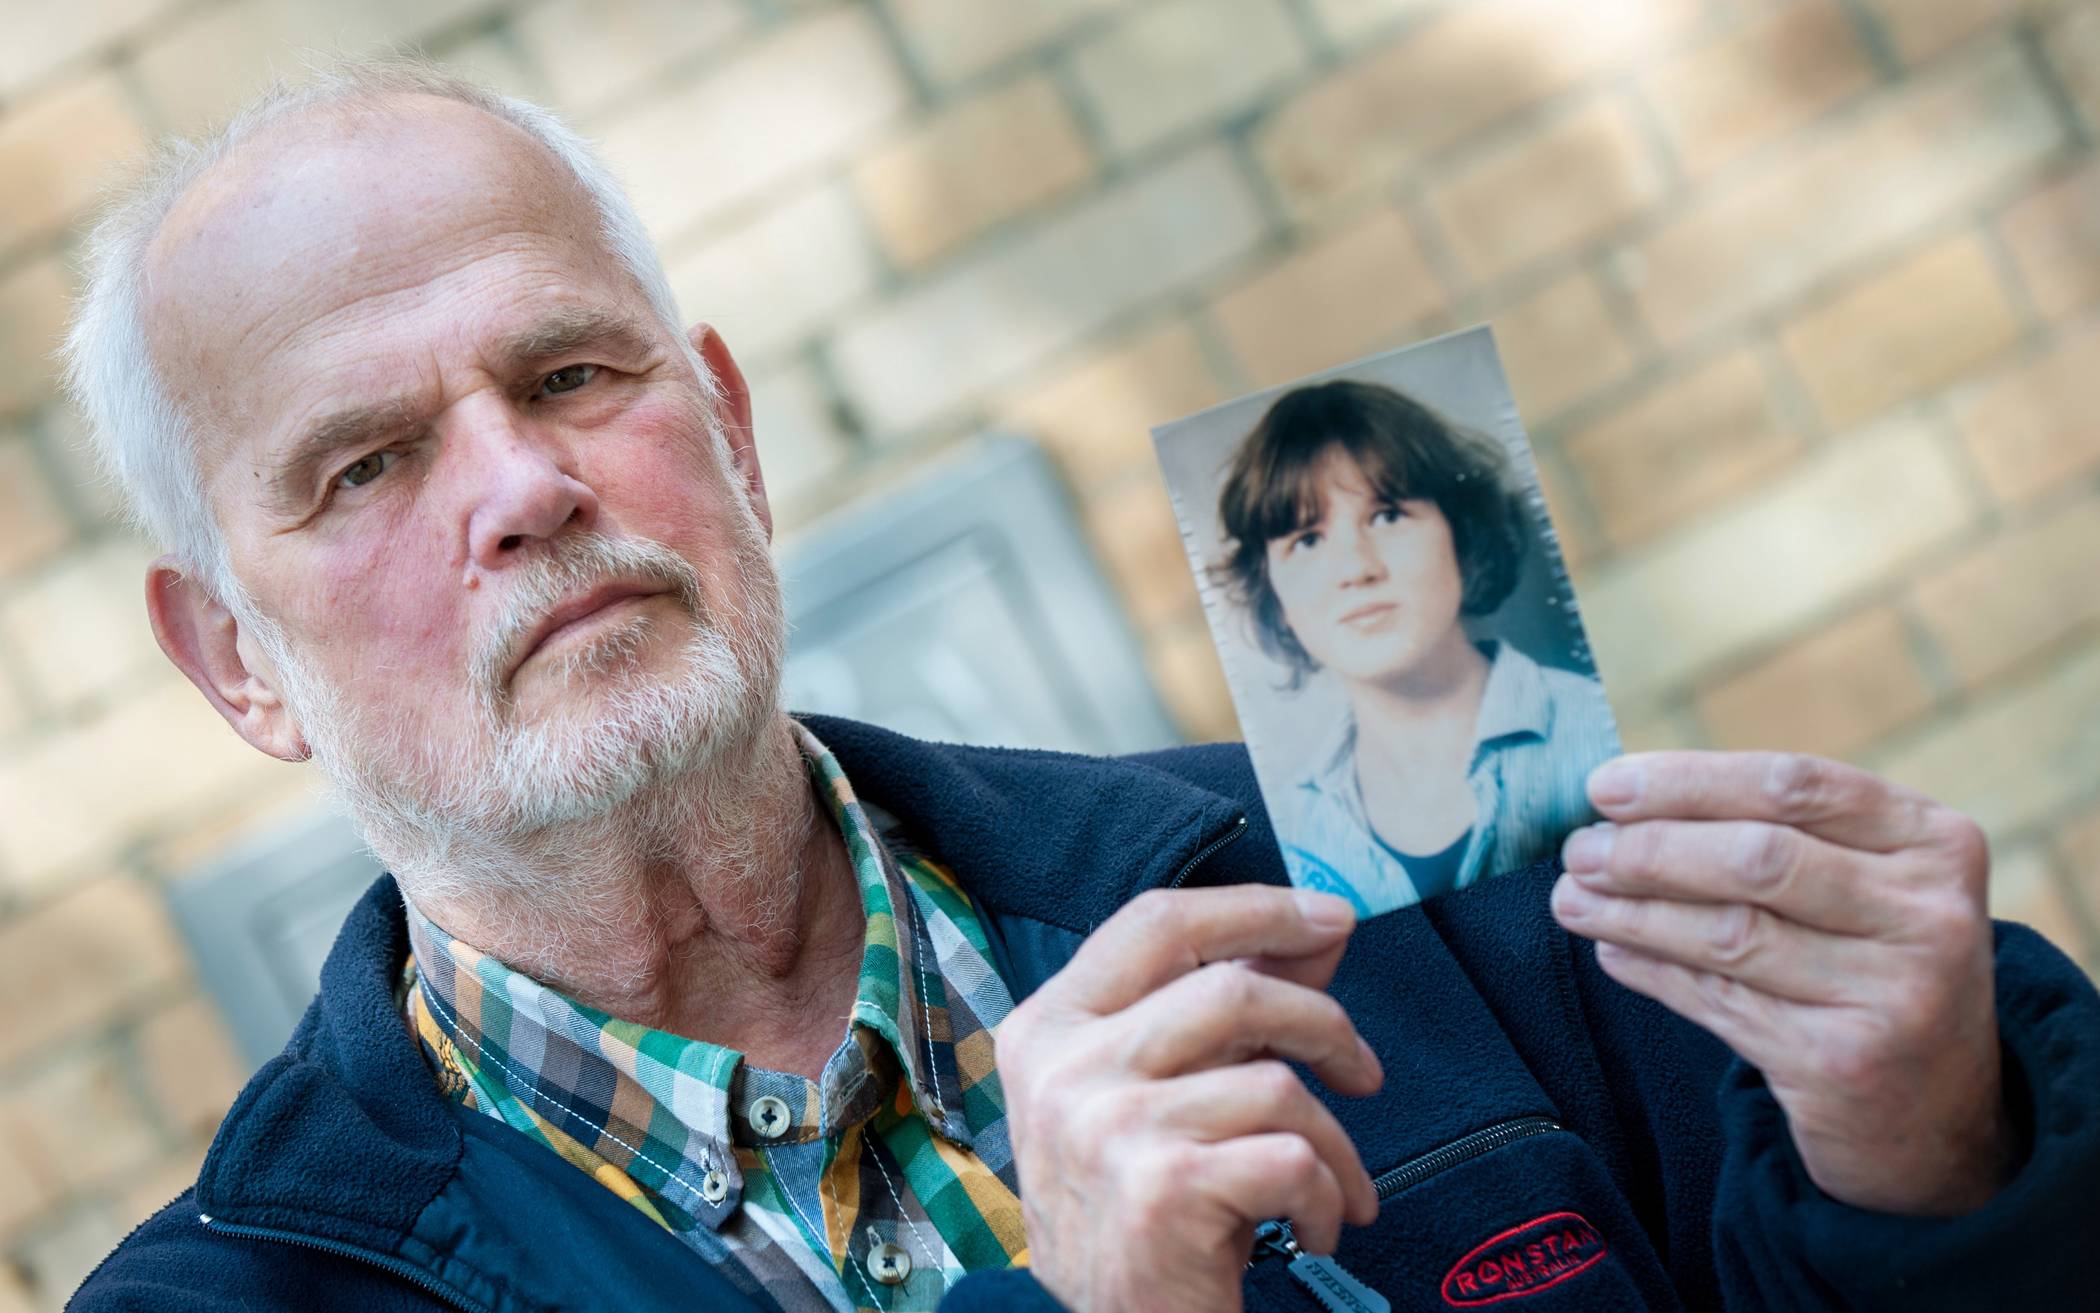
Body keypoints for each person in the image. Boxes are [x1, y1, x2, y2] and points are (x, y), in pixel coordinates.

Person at [60, 59, 2099, 1313]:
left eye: (575, 373)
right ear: (240, 658)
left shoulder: (1402, 872)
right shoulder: (235, 1298)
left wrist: (1938, 1152)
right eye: (367, 463)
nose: (522, 485)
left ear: (737, 436)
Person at [1214, 381, 1617, 914]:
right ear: (1274, 590)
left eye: (1388, 516)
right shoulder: (1286, 824)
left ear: (1460, 533)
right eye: (1307, 540)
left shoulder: (1596, 726)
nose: (1357, 569)